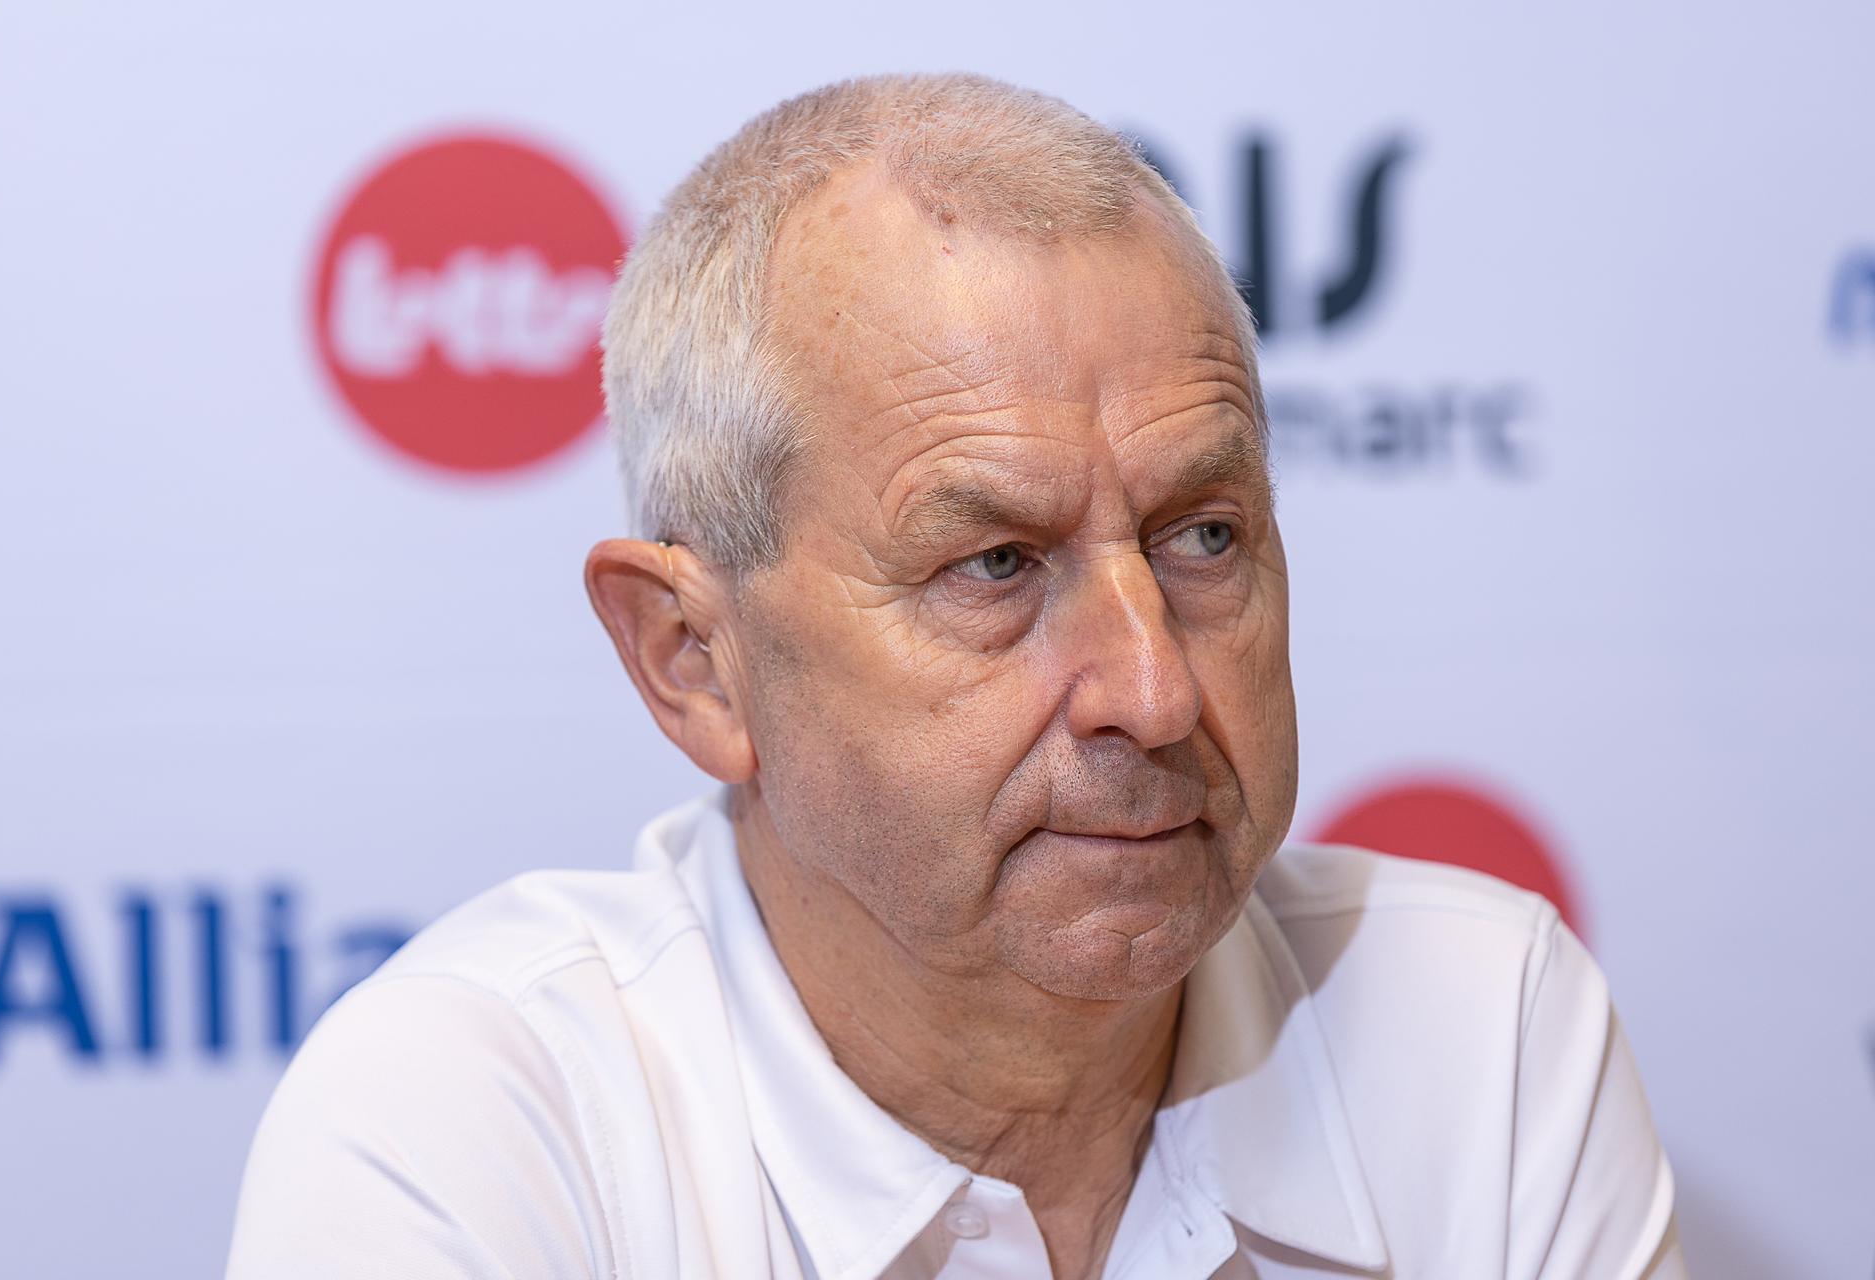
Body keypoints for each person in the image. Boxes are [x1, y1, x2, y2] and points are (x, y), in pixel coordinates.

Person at [225, 73, 1683, 1279]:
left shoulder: (1479, 1025)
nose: (1155, 692)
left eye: (1205, 535)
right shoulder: (472, 1126)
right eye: (994, 565)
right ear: (694, 662)